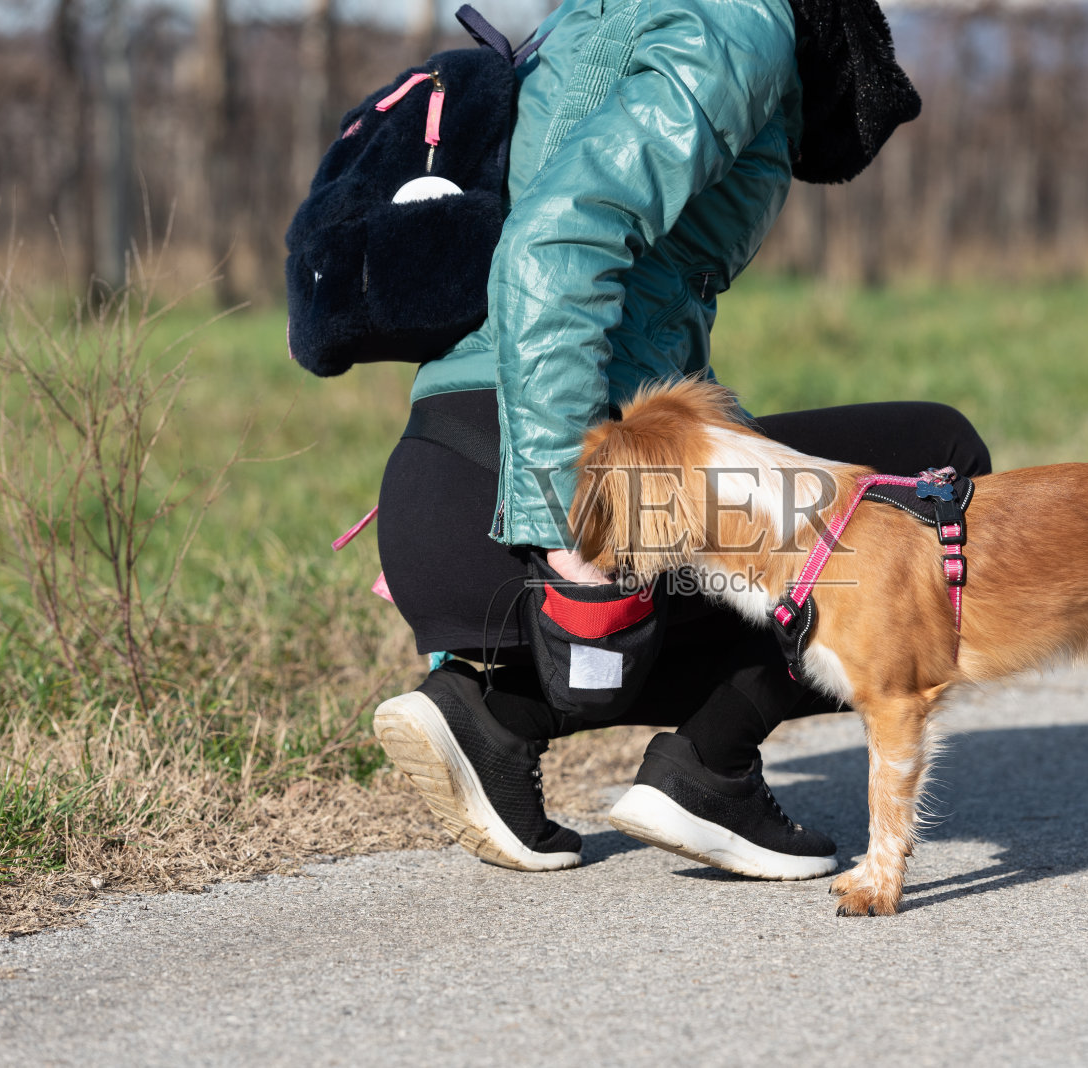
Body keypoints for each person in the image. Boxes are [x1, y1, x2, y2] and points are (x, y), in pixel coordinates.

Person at [373, 0, 989, 878]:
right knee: (939, 463)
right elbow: (552, 245)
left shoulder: (591, 17)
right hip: (544, 487)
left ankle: (499, 719)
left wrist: (447, 491)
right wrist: (566, 521)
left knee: (744, 463)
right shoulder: (733, 17)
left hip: (446, 473)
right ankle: (711, 759)